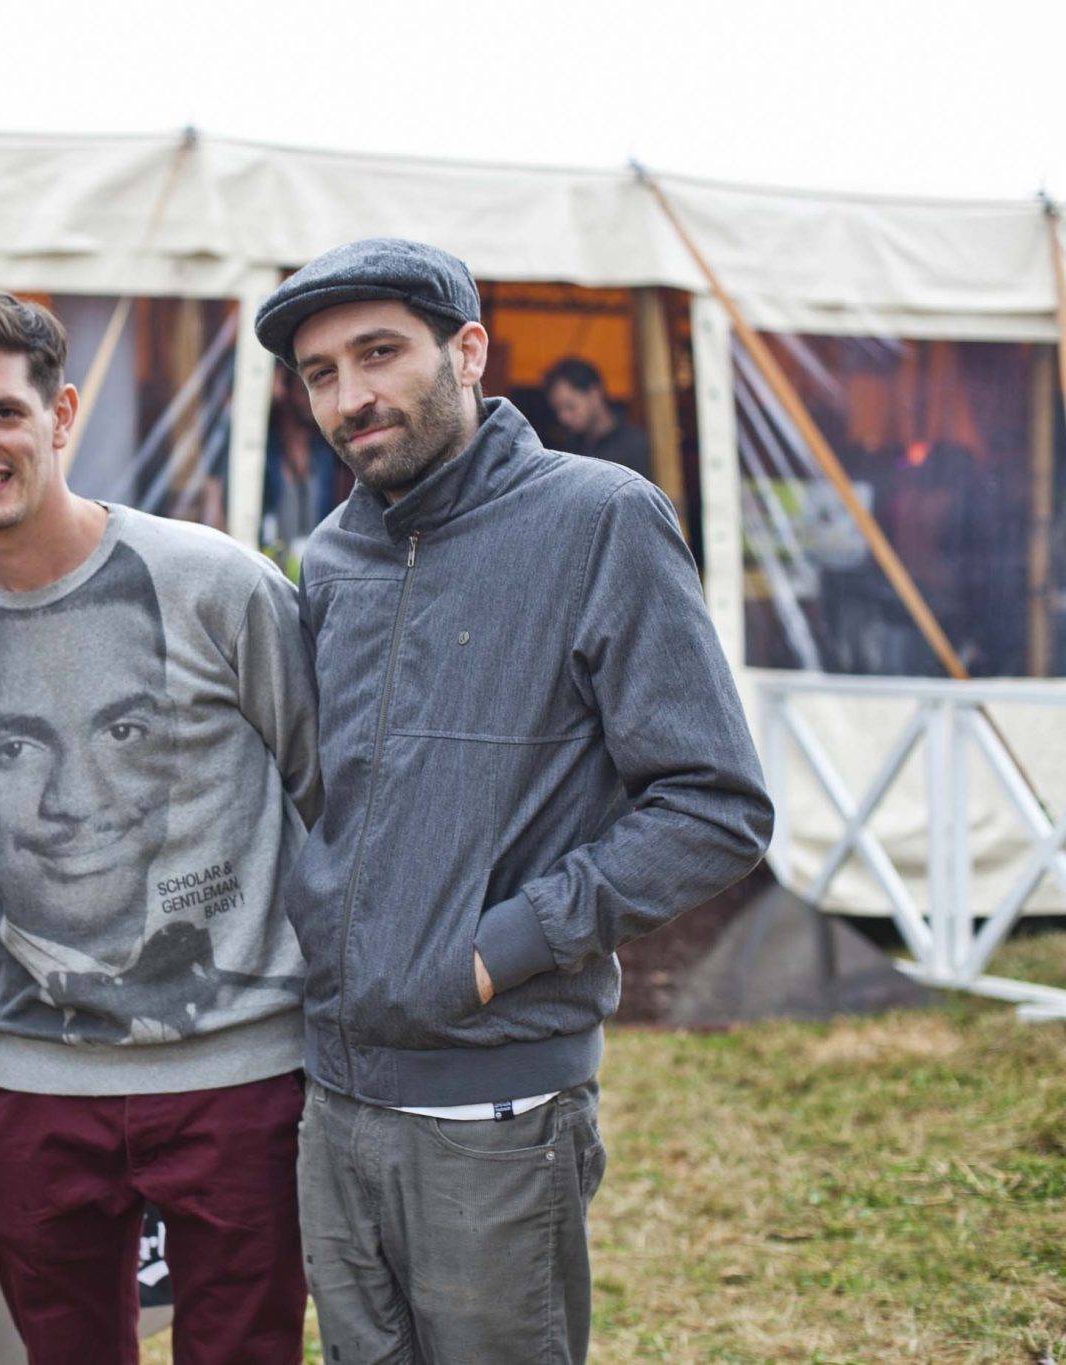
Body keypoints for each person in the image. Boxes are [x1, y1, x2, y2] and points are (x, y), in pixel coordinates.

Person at [253, 238, 773, 1363]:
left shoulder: (598, 519)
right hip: (333, 1098)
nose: (352, 395)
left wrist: (495, 950)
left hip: (493, 1109)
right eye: (320, 373)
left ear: (469, 351)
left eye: (379, 353)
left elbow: (713, 803)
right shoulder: (330, 556)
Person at [0, 290, 319, 1364]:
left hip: (240, 1071)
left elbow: (323, 790)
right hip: (44, 1079)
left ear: (61, 414)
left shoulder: (216, 585)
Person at [546, 356, 653, 477]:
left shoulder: (635, 445)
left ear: (594, 394)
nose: (563, 417)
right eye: (558, 410)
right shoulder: (570, 448)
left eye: (570, 406)